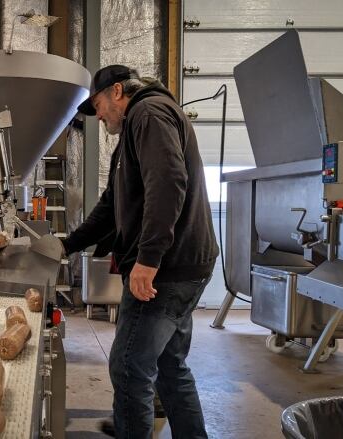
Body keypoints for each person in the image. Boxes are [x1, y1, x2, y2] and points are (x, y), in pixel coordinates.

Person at [62, 65, 218, 438]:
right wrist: (67, 245)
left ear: (117, 91)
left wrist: (148, 259)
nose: (98, 116)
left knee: (129, 367)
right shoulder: (140, 124)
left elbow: (168, 182)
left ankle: (133, 427)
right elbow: (112, 204)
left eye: (98, 105)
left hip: (167, 268)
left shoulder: (147, 115)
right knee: (169, 367)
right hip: (186, 263)